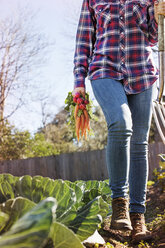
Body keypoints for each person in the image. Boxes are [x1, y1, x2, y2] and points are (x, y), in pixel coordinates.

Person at [72, 0, 165, 242]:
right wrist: (78, 81)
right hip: (104, 69)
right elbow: (84, 39)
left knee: (139, 142)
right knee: (121, 123)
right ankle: (119, 205)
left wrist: (157, 14)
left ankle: (138, 217)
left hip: (142, 71)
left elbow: (154, 38)